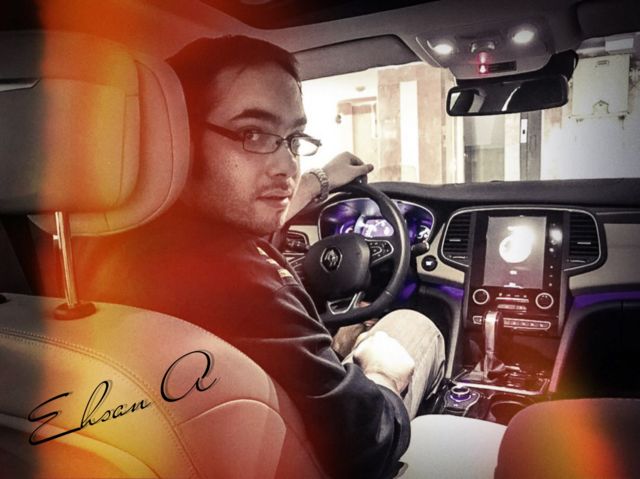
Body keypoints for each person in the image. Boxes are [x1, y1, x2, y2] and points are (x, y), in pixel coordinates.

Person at [78, 35, 445, 478]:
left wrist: (320, 181)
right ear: (178, 138)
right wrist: (383, 375)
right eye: (253, 133)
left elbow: (253, 211)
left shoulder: (91, 246)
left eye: (293, 139)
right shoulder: (245, 284)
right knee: (413, 326)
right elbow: (369, 444)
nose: (287, 167)